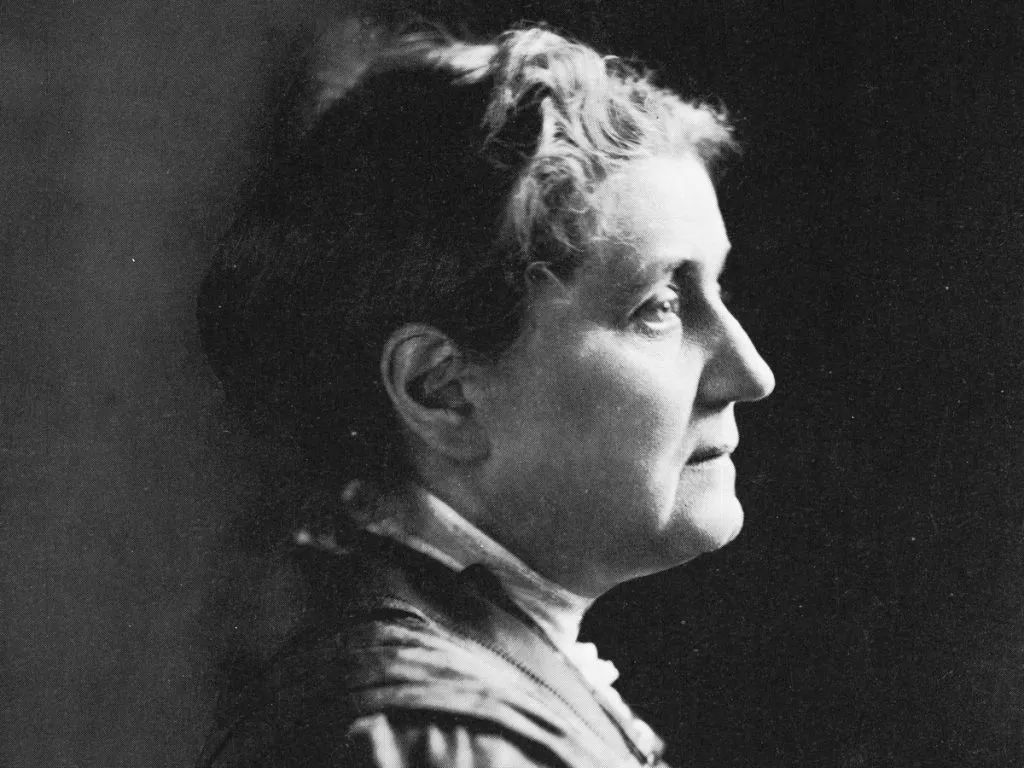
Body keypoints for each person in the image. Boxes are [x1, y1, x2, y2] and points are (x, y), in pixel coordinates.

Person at [195, 23, 774, 768]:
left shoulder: (489, 696)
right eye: (658, 306)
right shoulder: (443, 742)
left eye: (716, 288)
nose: (750, 373)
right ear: (442, 392)